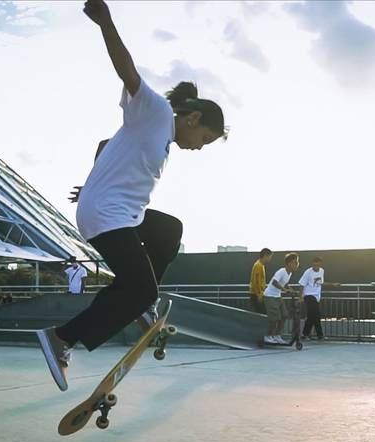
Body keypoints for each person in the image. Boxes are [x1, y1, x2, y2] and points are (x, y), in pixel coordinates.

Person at [37, 0, 227, 391]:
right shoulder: (155, 111)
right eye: (204, 139)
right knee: (142, 286)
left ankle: (140, 305)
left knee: (169, 230)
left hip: (119, 211)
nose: (200, 147)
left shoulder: (159, 136)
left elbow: (106, 143)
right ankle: (61, 338)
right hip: (108, 214)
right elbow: (128, 71)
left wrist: (92, 181)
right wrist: (105, 23)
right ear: (192, 119)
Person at [262, 253, 300, 344]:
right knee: (274, 318)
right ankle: (268, 336)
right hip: (270, 296)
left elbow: (285, 283)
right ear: (289, 263)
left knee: (284, 315)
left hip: (277, 296)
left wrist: (291, 290)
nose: (297, 264)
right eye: (295, 262)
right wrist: (284, 290)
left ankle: (277, 336)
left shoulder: (289, 273)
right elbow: (275, 282)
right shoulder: (281, 271)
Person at [299, 257, 325, 340]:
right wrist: (301, 297)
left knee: (312, 316)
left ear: (320, 264)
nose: (316, 266)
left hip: (317, 297)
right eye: (314, 265)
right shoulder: (308, 272)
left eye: (317, 265)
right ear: (312, 264)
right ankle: (319, 335)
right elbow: (302, 284)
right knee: (316, 315)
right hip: (309, 295)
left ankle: (305, 334)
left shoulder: (322, 271)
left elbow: (320, 283)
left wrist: (332, 284)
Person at [248, 248, 272, 313]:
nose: (270, 259)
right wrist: (259, 295)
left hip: (258, 294)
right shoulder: (258, 266)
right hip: (257, 295)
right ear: (265, 256)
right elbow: (256, 281)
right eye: (269, 257)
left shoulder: (260, 265)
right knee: (260, 314)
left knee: (259, 314)